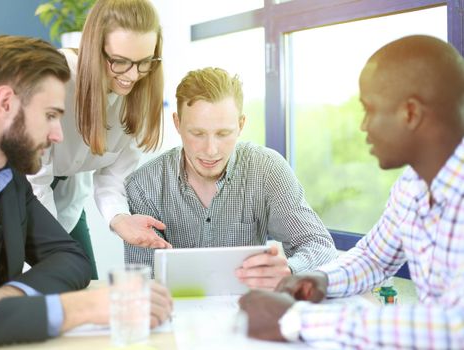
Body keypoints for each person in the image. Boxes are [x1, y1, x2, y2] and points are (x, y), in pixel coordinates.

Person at [0, 35, 172, 350]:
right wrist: (80, 308)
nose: (58, 135)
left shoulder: (7, 178)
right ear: (5, 103)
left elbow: (70, 256)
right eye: (50, 115)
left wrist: (15, 294)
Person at [239, 35, 464, 349]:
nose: (363, 126)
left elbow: (454, 326)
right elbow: (374, 258)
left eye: (370, 110)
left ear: (410, 113)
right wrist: (322, 278)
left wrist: (295, 319)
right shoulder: (411, 188)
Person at [124, 67, 337, 290]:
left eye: (223, 134)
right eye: (197, 134)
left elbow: (320, 246)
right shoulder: (144, 186)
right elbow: (142, 281)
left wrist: (290, 271)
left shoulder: (267, 170)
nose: (211, 150)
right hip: (173, 314)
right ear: (177, 124)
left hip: (250, 313)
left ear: (241, 125)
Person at [27, 0, 171, 280]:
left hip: (68, 196)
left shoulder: (138, 95)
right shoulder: (55, 78)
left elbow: (112, 176)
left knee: (85, 282)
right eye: (119, 61)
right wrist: (55, 251)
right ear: (94, 48)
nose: (132, 76)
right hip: (20, 192)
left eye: (144, 63)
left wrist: (119, 219)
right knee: (43, 292)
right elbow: (35, 179)